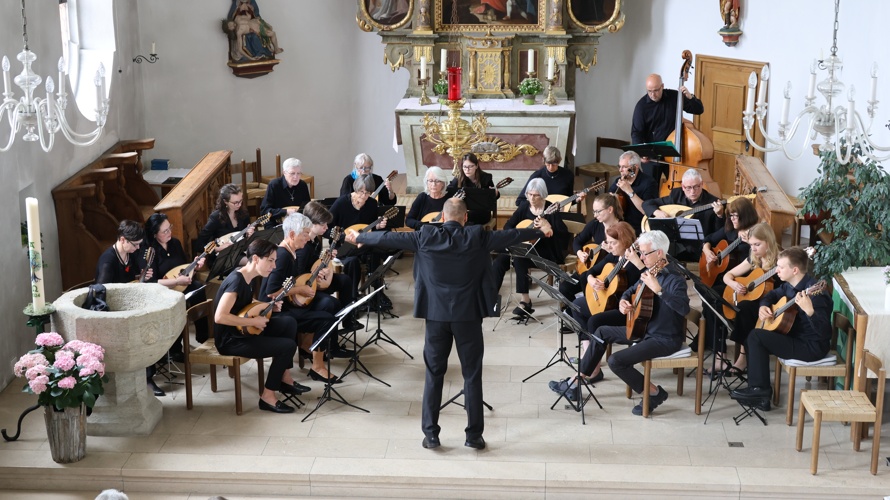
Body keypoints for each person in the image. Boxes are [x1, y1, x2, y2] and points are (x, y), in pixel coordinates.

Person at [345, 198, 554, 450]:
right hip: (468, 317)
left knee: (434, 374)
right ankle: (473, 436)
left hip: (436, 316)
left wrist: (361, 237)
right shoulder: (477, 236)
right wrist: (538, 230)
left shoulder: (425, 236)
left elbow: (390, 238)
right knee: (472, 375)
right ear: (465, 218)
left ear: (442, 218)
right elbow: (508, 236)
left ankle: (431, 434)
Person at [550, 230, 690, 415]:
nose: (641, 257)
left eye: (644, 254)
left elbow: (684, 309)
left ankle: (654, 393)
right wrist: (624, 301)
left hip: (664, 338)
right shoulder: (650, 272)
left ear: (659, 254)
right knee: (600, 331)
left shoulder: (675, 279)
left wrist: (659, 290)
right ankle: (577, 381)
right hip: (644, 329)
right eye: (640, 253)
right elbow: (630, 290)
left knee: (615, 361)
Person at [729, 247, 831, 410]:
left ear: (795, 270)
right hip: (795, 337)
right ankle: (759, 392)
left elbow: (825, 332)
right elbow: (771, 296)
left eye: (781, 267)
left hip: (811, 346)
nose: (777, 270)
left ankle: (760, 391)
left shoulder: (815, 294)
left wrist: (810, 312)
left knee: (756, 337)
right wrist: (763, 306)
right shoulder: (789, 286)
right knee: (753, 335)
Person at [213, 238, 300, 414]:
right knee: (287, 346)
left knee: (289, 322)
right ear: (255, 259)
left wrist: (265, 307)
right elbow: (220, 317)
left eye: (274, 261)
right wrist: (253, 321)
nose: (274, 266)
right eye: (270, 260)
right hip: (231, 340)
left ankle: (283, 377)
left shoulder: (248, 276)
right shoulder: (236, 281)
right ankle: (267, 397)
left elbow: (244, 304)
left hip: (242, 330)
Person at [259, 213, 344, 385]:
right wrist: (301, 289)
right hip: (274, 313)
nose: (307, 238)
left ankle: (315, 360)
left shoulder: (290, 252)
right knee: (326, 320)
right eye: (304, 234)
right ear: (291, 235)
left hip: (287, 306)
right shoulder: (282, 255)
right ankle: (317, 366)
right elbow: (271, 292)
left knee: (327, 313)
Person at [562, 221, 642, 385]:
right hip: (608, 303)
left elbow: (635, 292)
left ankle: (594, 369)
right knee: (577, 304)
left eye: (613, 243)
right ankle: (587, 351)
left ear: (626, 242)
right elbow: (591, 271)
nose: (609, 247)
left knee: (594, 320)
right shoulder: (615, 255)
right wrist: (591, 280)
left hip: (625, 309)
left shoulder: (636, 263)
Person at [95, 220, 162, 395]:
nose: (138, 249)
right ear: (123, 239)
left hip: (130, 306)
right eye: (135, 245)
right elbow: (102, 291)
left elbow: (131, 279)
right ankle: (140, 378)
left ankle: (147, 377)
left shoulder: (129, 254)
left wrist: (142, 276)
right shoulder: (108, 260)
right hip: (114, 312)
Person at [492, 178, 568, 317]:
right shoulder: (524, 207)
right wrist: (519, 234)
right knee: (499, 261)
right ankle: (491, 298)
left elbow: (563, 236)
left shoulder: (551, 209)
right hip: (524, 248)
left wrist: (547, 227)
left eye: (536, 195)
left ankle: (525, 301)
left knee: (520, 258)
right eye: (529, 194)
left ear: (543, 194)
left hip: (546, 251)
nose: (532, 198)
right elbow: (508, 226)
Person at [141, 213, 209, 368]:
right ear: (154, 234)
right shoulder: (150, 251)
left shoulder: (175, 243)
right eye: (164, 231)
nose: (169, 233)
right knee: (177, 302)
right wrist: (177, 281)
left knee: (198, 288)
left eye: (169, 228)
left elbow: (183, 268)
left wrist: (195, 267)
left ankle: (203, 336)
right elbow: (151, 282)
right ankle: (174, 348)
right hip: (162, 291)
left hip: (179, 285)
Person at [697, 196, 759, 358]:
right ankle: (718, 350)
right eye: (730, 216)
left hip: (744, 283)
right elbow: (708, 239)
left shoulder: (756, 233)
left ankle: (719, 351)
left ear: (745, 215)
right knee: (706, 294)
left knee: (713, 299)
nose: (732, 219)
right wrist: (707, 251)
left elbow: (761, 261)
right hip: (728, 280)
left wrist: (752, 242)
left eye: (735, 216)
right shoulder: (730, 230)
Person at [722, 222, 780, 374]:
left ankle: (744, 357)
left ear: (769, 242)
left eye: (757, 244)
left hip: (771, 305)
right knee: (731, 304)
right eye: (751, 244)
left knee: (745, 309)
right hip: (752, 302)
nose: (753, 249)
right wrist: (734, 285)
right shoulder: (753, 258)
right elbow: (727, 276)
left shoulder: (780, 261)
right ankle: (730, 356)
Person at [298, 201, 363, 332]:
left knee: (345, 280)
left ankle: (348, 321)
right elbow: (300, 274)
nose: (326, 227)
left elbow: (314, 263)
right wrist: (318, 271)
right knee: (333, 303)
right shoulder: (303, 246)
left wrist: (325, 259)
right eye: (323, 224)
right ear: (310, 224)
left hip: (317, 278)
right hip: (306, 286)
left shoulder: (316, 239)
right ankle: (331, 345)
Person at [329, 174, 390, 307]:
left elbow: (370, 230)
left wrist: (378, 226)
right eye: (361, 192)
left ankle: (377, 293)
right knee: (352, 262)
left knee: (376, 252)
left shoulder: (372, 204)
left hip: (363, 245)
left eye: (368, 193)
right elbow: (326, 228)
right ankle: (352, 299)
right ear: (355, 189)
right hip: (342, 246)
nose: (364, 196)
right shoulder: (341, 203)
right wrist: (343, 237)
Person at [631, 73, 704, 181]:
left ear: (662, 86)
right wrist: (642, 153)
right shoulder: (641, 106)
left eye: (656, 90)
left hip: (674, 152)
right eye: (649, 91)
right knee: (651, 187)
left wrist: (690, 97)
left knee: (678, 186)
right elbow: (637, 133)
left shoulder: (674, 97)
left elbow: (698, 110)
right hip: (653, 156)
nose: (653, 95)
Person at [642, 168, 723, 261]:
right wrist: (657, 212)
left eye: (696, 187)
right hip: (675, 244)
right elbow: (646, 204)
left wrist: (720, 215)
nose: (692, 192)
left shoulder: (712, 202)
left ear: (702, 185)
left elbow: (719, 232)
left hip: (698, 247)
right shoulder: (677, 195)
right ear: (683, 187)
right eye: (688, 188)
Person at [557, 193, 624, 303]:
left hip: (607, 272)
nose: (595, 215)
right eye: (594, 211)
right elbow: (577, 241)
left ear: (610, 209)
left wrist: (611, 251)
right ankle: (575, 314)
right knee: (564, 288)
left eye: (598, 211)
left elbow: (625, 256)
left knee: (584, 278)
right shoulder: (595, 224)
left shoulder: (622, 228)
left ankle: (589, 307)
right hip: (589, 268)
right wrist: (579, 253)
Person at [609, 151, 658, 235]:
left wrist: (629, 191)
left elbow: (647, 211)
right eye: (619, 166)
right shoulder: (619, 180)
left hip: (639, 227)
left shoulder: (649, 183)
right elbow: (609, 199)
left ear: (635, 167)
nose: (620, 170)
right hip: (620, 225)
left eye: (624, 167)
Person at [448, 153, 500, 225]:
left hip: (481, 213)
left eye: (470, 166)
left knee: (463, 220)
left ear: (476, 166)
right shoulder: (459, 178)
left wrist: (496, 193)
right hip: (463, 212)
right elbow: (449, 191)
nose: (467, 170)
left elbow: (493, 197)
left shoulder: (486, 178)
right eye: (465, 167)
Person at [260, 158, 312, 223]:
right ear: (284, 172)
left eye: (298, 173)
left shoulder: (302, 185)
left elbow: (307, 208)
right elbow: (264, 211)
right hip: (276, 223)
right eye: (292, 173)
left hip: (297, 223)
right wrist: (285, 211)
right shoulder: (274, 185)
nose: (296, 177)